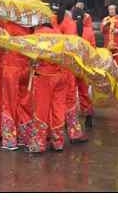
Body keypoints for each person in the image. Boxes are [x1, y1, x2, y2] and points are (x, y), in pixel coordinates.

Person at [28, 23, 68, 153]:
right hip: (61, 75)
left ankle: (39, 143)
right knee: (58, 108)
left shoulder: (39, 33)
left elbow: (34, 55)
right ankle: (58, 142)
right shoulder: (57, 32)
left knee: (41, 108)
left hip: (45, 75)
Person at [53, 0, 88, 143]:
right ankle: (74, 133)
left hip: (52, 66)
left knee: (54, 101)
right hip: (67, 67)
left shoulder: (53, 20)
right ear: (72, 8)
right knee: (70, 99)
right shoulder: (71, 23)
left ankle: (54, 135)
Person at [0, 20, 33, 150]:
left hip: (11, 68)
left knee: (9, 103)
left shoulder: (7, 26)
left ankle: (9, 140)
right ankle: (25, 137)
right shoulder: (28, 27)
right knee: (24, 102)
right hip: (26, 67)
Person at [72, 2, 95, 127]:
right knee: (84, 92)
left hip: (72, 66)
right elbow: (93, 50)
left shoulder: (70, 31)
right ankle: (88, 115)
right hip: (85, 66)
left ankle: (70, 121)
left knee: (70, 92)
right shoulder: (89, 31)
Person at [101, 4, 118, 69]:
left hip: (117, 44)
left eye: (113, 9)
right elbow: (102, 30)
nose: (111, 11)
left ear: (115, 10)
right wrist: (105, 25)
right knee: (108, 62)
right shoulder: (105, 19)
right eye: (110, 9)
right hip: (108, 44)